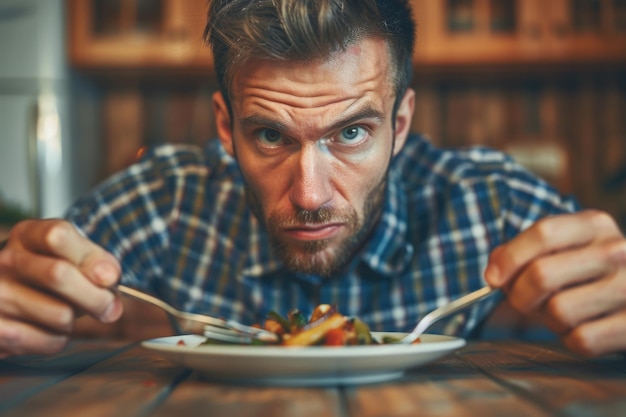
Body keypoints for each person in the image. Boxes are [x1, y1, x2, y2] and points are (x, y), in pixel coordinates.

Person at [1, 0, 625, 359]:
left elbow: (604, 285)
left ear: (399, 124)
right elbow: (31, 280)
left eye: (351, 132)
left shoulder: (492, 203)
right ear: (226, 126)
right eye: (270, 134)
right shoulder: (165, 202)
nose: (310, 194)